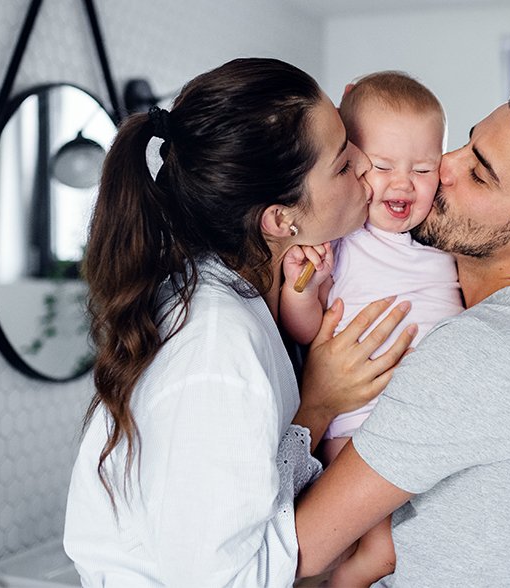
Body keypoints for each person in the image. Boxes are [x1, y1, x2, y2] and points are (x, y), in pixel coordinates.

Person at [63, 57, 418, 587]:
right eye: (344, 165)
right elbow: (222, 580)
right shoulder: (216, 349)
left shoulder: (246, 291)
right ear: (280, 219)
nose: (369, 169)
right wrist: (317, 404)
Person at [295, 78, 510, 587]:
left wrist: (318, 403)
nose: (444, 167)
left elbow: (296, 551)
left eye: (478, 174)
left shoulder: (481, 353)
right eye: (464, 142)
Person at [280, 71, 463, 587]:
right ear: (354, 163)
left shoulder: (441, 235)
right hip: (358, 424)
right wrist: (299, 288)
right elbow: (307, 328)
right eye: (382, 167)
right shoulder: (343, 236)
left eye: (423, 169)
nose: (403, 184)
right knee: (378, 555)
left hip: (425, 425)